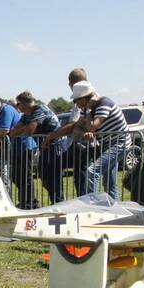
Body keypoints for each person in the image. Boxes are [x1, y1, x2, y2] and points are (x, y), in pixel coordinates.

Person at [69, 81, 130, 199]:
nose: (75, 103)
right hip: (107, 144)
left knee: (92, 172)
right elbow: (80, 127)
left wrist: (89, 111)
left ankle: (92, 206)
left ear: (84, 97)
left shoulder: (104, 103)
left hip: (119, 143)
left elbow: (92, 127)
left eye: (76, 100)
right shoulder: (86, 109)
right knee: (109, 182)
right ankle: (115, 210)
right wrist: (86, 132)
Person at [43, 68, 90, 197]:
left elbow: (73, 125)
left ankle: (68, 201)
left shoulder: (83, 99)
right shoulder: (84, 99)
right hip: (81, 144)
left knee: (80, 175)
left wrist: (51, 136)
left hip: (83, 145)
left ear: (72, 83)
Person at [12, 91, 64, 206]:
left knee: (53, 176)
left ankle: (58, 202)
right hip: (44, 147)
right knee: (43, 176)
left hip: (55, 145)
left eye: (18, 104)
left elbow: (30, 130)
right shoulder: (27, 115)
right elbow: (13, 132)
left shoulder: (39, 109)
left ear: (24, 103)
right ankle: (57, 200)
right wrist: (25, 128)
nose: (17, 107)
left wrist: (25, 129)